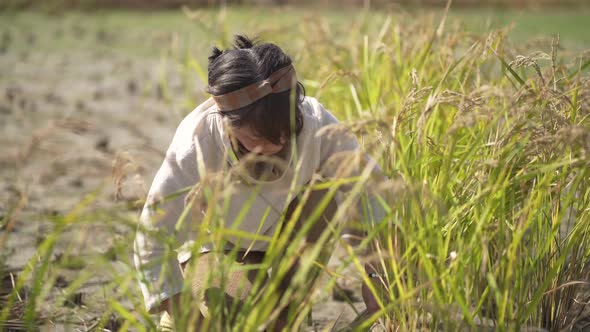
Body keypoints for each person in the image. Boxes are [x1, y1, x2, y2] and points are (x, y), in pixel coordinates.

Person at [134, 35, 388, 331]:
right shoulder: (197, 142)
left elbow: (373, 192)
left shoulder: (317, 122)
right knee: (250, 321)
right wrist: (179, 308)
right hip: (216, 244)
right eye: (261, 137)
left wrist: (378, 274)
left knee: (323, 196)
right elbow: (151, 236)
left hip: (284, 233)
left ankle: (285, 313)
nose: (278, 143)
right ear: (229, 121)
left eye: (287, 129)